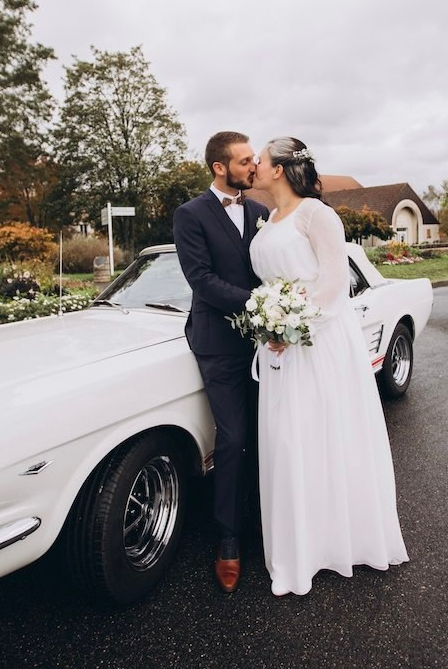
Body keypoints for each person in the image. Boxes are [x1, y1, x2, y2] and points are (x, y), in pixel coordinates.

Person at [249, 136, 408, 596]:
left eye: (260, 160)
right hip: (280, 351)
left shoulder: (318, 215)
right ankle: (301, 545)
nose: (255, 166)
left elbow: (335, 285)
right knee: (287, 441)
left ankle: (342, 539)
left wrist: (290, 327)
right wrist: (269, 323)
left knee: (323, 434)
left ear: (279, 169)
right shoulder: (268, 221)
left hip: (318, 343)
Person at [173, 131, 269, 593]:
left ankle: (262, 517)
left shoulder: (261, 212)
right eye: (246, 160)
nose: (254, 166)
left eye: (253, 159)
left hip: (268, 343)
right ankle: (228, 536)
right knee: (232, 438)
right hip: (218, 343)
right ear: (219, 167)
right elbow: (202, 280)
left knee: (267, 432)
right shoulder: (190, 215)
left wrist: (281, 310)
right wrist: (262, 303)